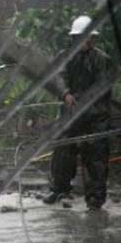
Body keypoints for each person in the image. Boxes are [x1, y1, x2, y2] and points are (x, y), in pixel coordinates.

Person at [43, 15, 113, 210]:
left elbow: (103, 86)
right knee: (63, 150)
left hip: (96, 116)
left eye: (90, 37)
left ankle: (95, 199)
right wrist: (65, 94)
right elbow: (58, 77)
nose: (86, 41)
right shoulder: (64, 57)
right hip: (71, 114)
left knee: (96, 157)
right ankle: (59, 189)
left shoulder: (102, 60)